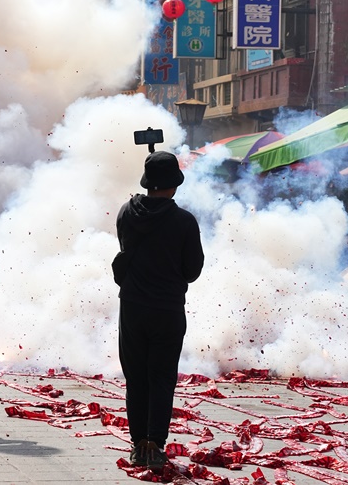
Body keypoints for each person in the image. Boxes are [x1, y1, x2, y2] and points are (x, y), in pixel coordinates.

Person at [114, 150, 204, 473]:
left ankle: (138, 443)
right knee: (162, 377)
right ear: (174, 185)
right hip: (167, 310)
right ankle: (155, 444)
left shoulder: (127, 212)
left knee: (135, 377)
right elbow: (193, 270)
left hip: (133, 308)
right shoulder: (184, 222)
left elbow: (126, 246)